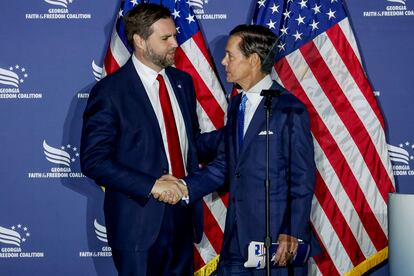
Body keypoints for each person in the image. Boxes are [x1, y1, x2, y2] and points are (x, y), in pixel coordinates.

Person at [80, 3, 221, 275]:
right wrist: (152, 185)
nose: (176, 44)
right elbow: (93, 160)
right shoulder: (110, 91)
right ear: (140, 41)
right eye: (166, 38)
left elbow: (190, 144)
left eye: (175, 36)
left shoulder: (183, 82)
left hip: (183, 217)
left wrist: (237, 133)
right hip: (138, 224)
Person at [175, 24, 317, 275]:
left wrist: (292, 230)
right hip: (236, 237)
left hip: (274, 240)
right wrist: (183, 188)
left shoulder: (289, 109)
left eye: (230, 55)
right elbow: (228, 164)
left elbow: (302, 175)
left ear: (253, 59)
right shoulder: (238, 104)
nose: (223, 61)